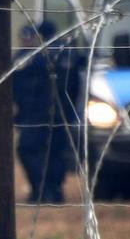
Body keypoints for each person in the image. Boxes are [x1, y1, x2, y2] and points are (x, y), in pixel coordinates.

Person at [14, 21, 81, 203]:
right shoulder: (64, 54)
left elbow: (18, 85)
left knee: (33, 150)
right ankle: (50, 189)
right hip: (55, 113)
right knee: (51, 152)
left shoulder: (35, 57)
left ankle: (45, 189)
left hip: (37, 113)